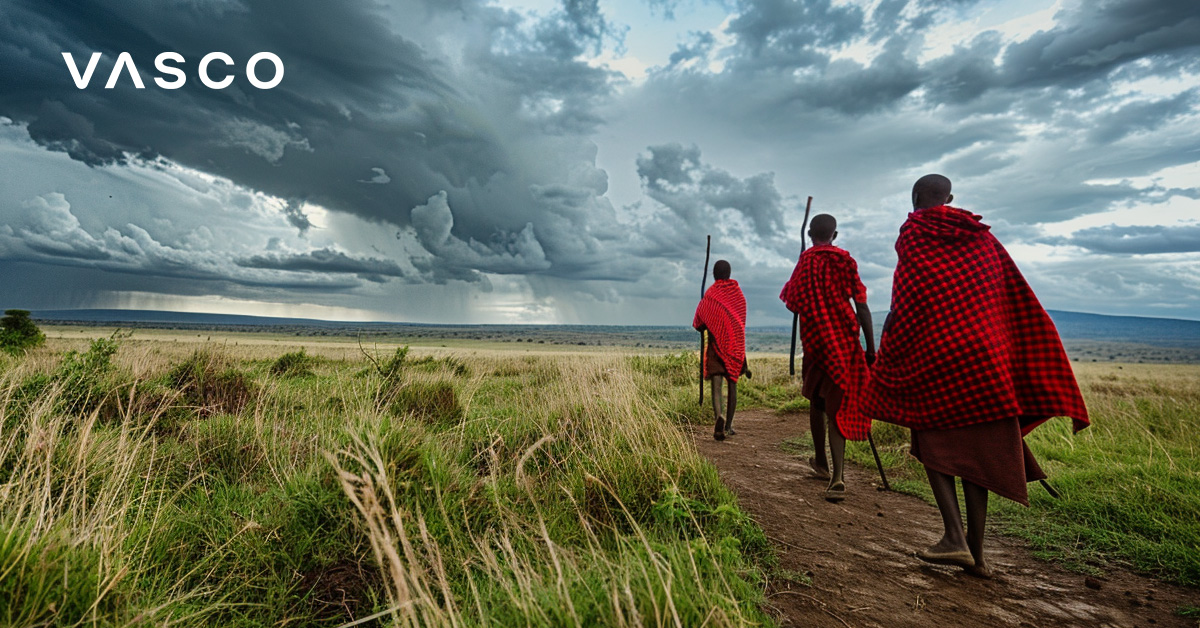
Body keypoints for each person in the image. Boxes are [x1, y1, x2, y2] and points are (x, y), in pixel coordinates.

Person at [863, 174, 1089, 577]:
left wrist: (890, 349)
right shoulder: (982, 239)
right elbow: (1013, 296)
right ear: (949, 199)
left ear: (916, 199)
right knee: (977, 452)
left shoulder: (915, 232)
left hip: (939, 356)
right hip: (987, 361)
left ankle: (954, 537)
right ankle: (978, 556)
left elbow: (907, 298)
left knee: (932, 439)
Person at [780, 214, 875, 502]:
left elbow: (792, 302)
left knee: (816, 400)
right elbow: (861, 305)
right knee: (836, 401)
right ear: (834, 235)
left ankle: (825, 465)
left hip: (815, 342)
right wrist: (870, 347)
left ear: (810, 234)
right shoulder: (845, 260)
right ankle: (835, 473)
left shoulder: (805, 262)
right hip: (844, 341)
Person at [693, 260, 751, 441]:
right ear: (729, 273)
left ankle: (719, 415)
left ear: (714, 274)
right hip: (735, 346)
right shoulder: (738, 295)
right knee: (732, 383)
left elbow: (698, 324)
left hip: (715, 346)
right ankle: (728, 425)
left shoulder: (710, 295)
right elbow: (740, 322)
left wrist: (710, 323)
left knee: (716, 385)